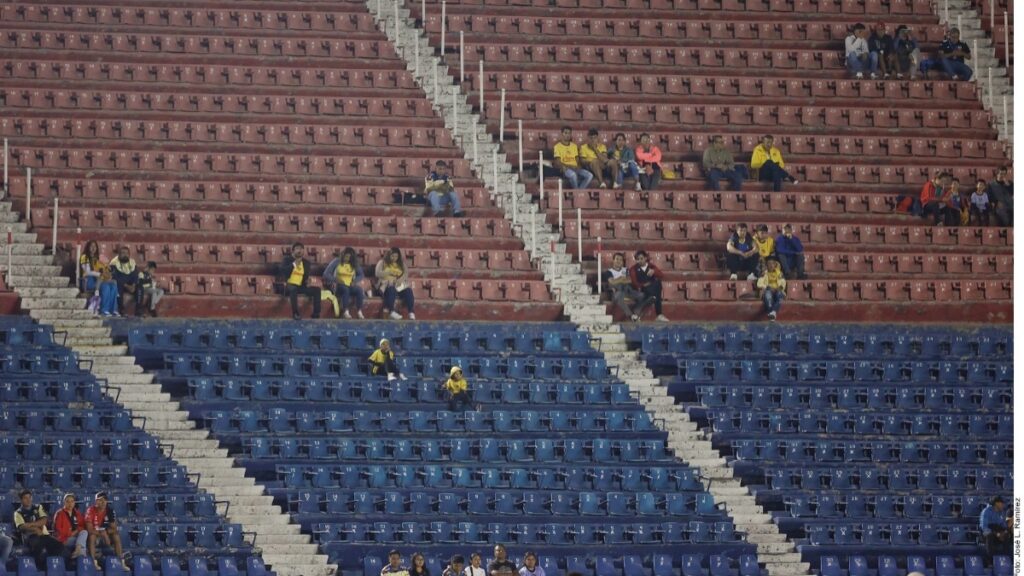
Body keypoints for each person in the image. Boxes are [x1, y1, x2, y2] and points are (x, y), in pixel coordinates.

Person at [13, 490, 64, 568]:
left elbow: (44, 521)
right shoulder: (18, 513)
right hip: (30, 537)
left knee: (60, 546)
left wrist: (31, 524)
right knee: (38, 545)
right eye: (25, 498)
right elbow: (22, 526)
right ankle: (38, 567)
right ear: (21, 500)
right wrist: (35, 529)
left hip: (44, 535)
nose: (28, 500)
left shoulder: (38, 507)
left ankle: (51, 566)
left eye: (30, 497)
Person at [85, 492, 128, 571]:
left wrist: (105, 533)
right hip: (95, 537)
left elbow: (114, 528)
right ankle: (93, 562)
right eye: (100, 500)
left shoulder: (109, 511)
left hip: (106, 537)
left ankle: (121, 562)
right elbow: (90, 530)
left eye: (105, 500)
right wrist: (102, 533)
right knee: (92, 536)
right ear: (96, 501)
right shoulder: (90, 510)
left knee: (116, 535)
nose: (103, 502)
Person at [602, 252, 649, 321]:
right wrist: (621, 279)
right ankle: (631, 315)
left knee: (643, 295)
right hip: (617, 292)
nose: (618, 261)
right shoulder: (608, 272)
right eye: (617, 259)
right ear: (613, 260)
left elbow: (630, 280)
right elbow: (612, 282)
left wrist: (619, 280)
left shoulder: (626, 270)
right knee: (618, 295)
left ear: (623, 262)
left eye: (620, 260)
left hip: (628, 291)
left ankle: (636, 311)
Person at [281, 242, 321, 320]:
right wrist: (294, 264)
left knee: (317, 290)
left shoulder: (306, 263)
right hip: (289, 284)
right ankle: (295, 313)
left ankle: (316, 313)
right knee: (293, 289)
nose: (300, 251)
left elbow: (305, 277)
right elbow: (284, 272)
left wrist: (307, 281)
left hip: (300, 286)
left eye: (301, 249)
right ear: (293, 251)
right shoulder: (287, 260)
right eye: (297, 249)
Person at [323, 247, 366, 319]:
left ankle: (359, 311)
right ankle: (345, 311)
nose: (347, 259)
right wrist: (336, 280)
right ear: (343, 255)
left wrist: (354, 281)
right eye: (346, 256)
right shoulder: (336, 261)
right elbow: (326, 274)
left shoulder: (354, 264)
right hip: (338, 285)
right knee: (345, 290)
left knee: (359, 290)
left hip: (350, 285)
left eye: (349, 257)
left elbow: (361, 275)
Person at [80, 240, 119, 316]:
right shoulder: (84, 257)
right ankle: (104, 310)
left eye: (95, 246)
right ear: (88, 247)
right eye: (91, 246)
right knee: (106, 287)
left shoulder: (98, 258)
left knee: (113, 286)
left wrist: (107, 273)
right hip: (89, 280)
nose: (93, 248)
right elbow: (88, 272)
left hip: (99, 280)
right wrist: (100, 274)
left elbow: (105, 268)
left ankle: (113, 310)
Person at [375, 247, 415, 320]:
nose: (394, 258)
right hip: (386, 285)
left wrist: (400, 280)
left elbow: (405, 274)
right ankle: (391, 311)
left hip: (397, 284)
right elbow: (377, 273)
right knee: (391, 289)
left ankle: (411, 312)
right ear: (389, 255)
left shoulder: (401, 264)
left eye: (396, 256)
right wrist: (388, 272)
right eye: (392, 256)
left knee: (408, 290)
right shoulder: (382, 262)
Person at [628, 251, 668, 322]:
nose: (639, 261)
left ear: (645, 258)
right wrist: (643, 285)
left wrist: (654, 272)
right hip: (641, 288)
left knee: (657, 284)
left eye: (641, 258)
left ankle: (638, 312)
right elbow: (634, 283)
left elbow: (662, 275)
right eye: (637, 259)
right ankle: (659, 314)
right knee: (656, 293)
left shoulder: (651, 266)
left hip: (652, 288)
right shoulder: (633, 269)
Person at [53, 493, 88, 561]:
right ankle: (83, 558)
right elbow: (58, 530)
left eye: (72, 501)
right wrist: (70, 534)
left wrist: (76, 531)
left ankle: (78, 551)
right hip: (64, 539)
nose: (70, 503)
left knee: (84, 532)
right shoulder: (60, 513)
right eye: (67, 501)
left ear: (74, 503)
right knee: (83, 542)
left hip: (75, 538)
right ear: (64, 503)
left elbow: (82, 526)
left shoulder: (77, 513)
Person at [108, 246, 140, 316]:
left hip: (130, 284)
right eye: (123, 253)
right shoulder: (114, 263)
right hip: (121, 284)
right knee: (117, 286)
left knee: (140, 288)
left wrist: (134, 285)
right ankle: (120, 309)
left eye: (127, 253)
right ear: (119, 254)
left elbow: (135, 275)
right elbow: (115, 277)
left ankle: (138, 310)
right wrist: (126, 286)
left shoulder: (132, 262)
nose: (125, 255)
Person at [756, 257, 786, 322]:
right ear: (767, 265)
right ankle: (772, 313)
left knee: (780, 296)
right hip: (768, 290)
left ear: (775, 265)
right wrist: (768, 287)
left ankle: (773, 312)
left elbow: (783, 283)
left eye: (772, 263)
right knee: (768, 295)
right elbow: (759, 284)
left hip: (778, 290)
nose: (771, 265)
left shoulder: (779, 273)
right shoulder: (764, 273)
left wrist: (779, 288)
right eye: (769, 264)